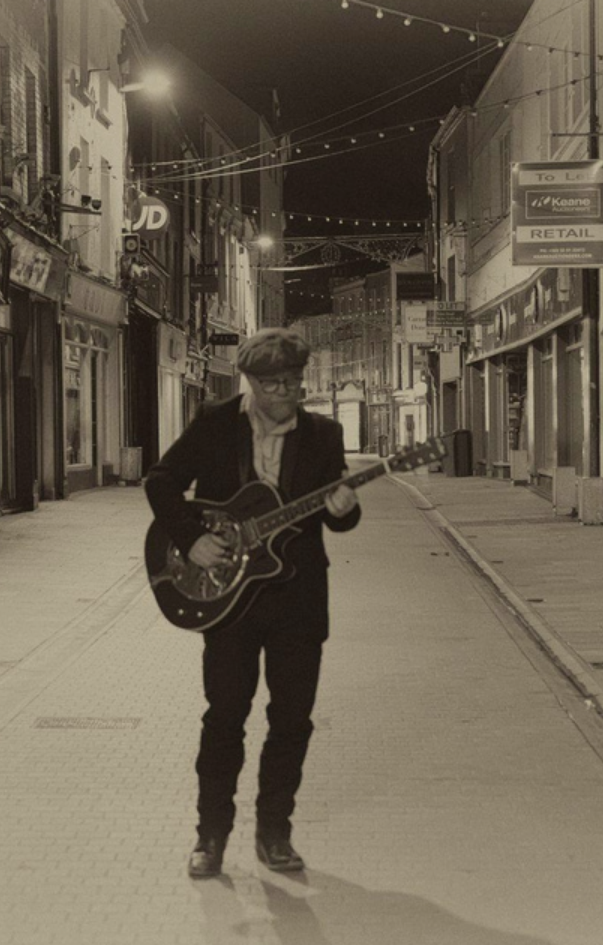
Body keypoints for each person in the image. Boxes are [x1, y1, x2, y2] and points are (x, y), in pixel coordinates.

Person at [145, 327, 361, 878]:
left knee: (292, 720)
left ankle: (274, 833)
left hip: (298, 601)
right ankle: (210, 836)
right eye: (271, 384)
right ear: (249, 382)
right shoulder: (215, 423)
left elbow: (338, 517)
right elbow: (161, 480)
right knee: (225, 718)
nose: (284, 392)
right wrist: (192, 537)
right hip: (229, 602)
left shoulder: (324, 434)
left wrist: (344, 509)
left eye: (292, 381)